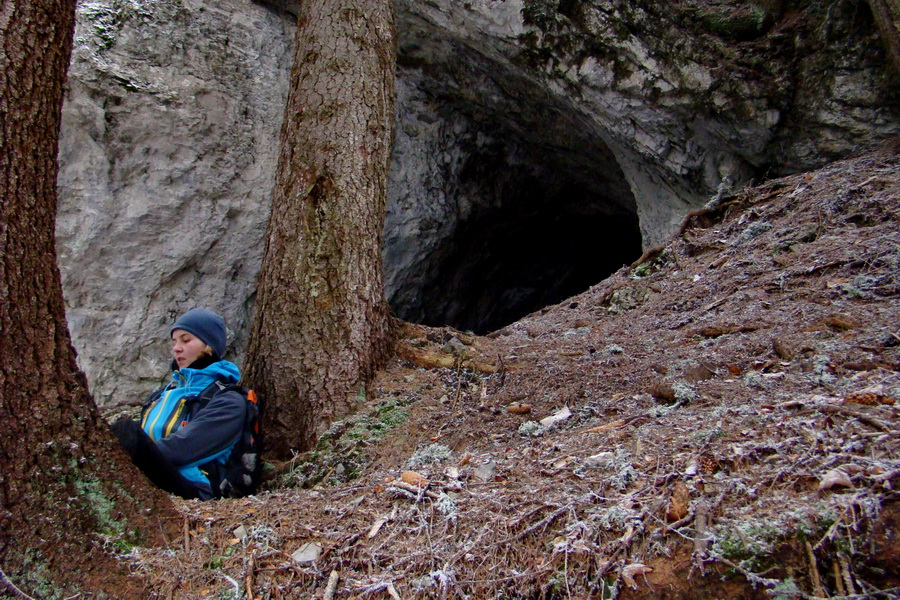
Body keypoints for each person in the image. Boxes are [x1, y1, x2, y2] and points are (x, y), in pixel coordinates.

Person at [112, 308, 246, 500]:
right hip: (151, 475)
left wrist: (132, 458)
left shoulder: (228, 400)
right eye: (174, 341)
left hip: (196, 489)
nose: (176, 348)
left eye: (186, 340)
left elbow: (184, 448)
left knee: (126, 431)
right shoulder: (163, 395)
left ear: (209, 345)